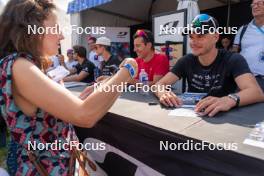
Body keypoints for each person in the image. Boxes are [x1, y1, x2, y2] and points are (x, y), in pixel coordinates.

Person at [0, 1, 138, 175]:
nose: (61, 37)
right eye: (56, 28)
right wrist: (128, 69)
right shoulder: (19, 65)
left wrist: (79, 100)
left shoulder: (22, 64)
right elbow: (85, 115)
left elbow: (45, 117)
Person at [154, 14, 264, 117]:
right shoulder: (186, 60)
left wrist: (228, 100)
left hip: (223, 118)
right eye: (191, 37)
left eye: (200, 36)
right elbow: (159, 84)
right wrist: (163, 93)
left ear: (216, 37)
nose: (194, 42)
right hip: (192, 116)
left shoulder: (233, 59)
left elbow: (256, 92)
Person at [233, 0, 264, 91]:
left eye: (259, 3)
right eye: (253, 4)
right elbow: (234, 52)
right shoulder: (243, 29)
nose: (255, 6)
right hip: (244, 79)